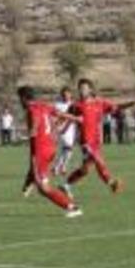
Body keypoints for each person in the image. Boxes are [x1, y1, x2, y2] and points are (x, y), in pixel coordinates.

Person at [18, 86, 83, 218]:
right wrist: (76, 119)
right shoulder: (44, 106)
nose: (20, 102)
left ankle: (72, 207)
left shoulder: (31, 110)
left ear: (24, 98)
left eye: (20, 99)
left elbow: (35, 124)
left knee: (43, 188)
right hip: (51, 148)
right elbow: (60, 114)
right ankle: (28, 186)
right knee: (39, 177)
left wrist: (29, 134)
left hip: (40, 149)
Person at [65, 78, 135, 195]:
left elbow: (116, 107)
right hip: (85, 142)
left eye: (84, 88)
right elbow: (66, 116)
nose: (82, 90)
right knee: (98, 160)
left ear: (90, 90)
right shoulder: (76, 106)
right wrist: (59, 126)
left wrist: (131, 104)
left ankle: (66, 185)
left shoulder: (99, 103)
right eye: (80, 88)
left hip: (96, 141)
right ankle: (112, 182)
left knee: (85, 170)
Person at [53, 87, 77, 176]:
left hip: (72, 129)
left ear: (70, 95)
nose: (66, 96)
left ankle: (59, 167)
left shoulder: (73, 104)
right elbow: (55, 117)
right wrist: (56, 126)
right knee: (68, 147)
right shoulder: (58, 105)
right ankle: (61, 167)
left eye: (67, 94)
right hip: (62, 129)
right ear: (61, 95)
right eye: (64, 95)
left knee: (66, 149)